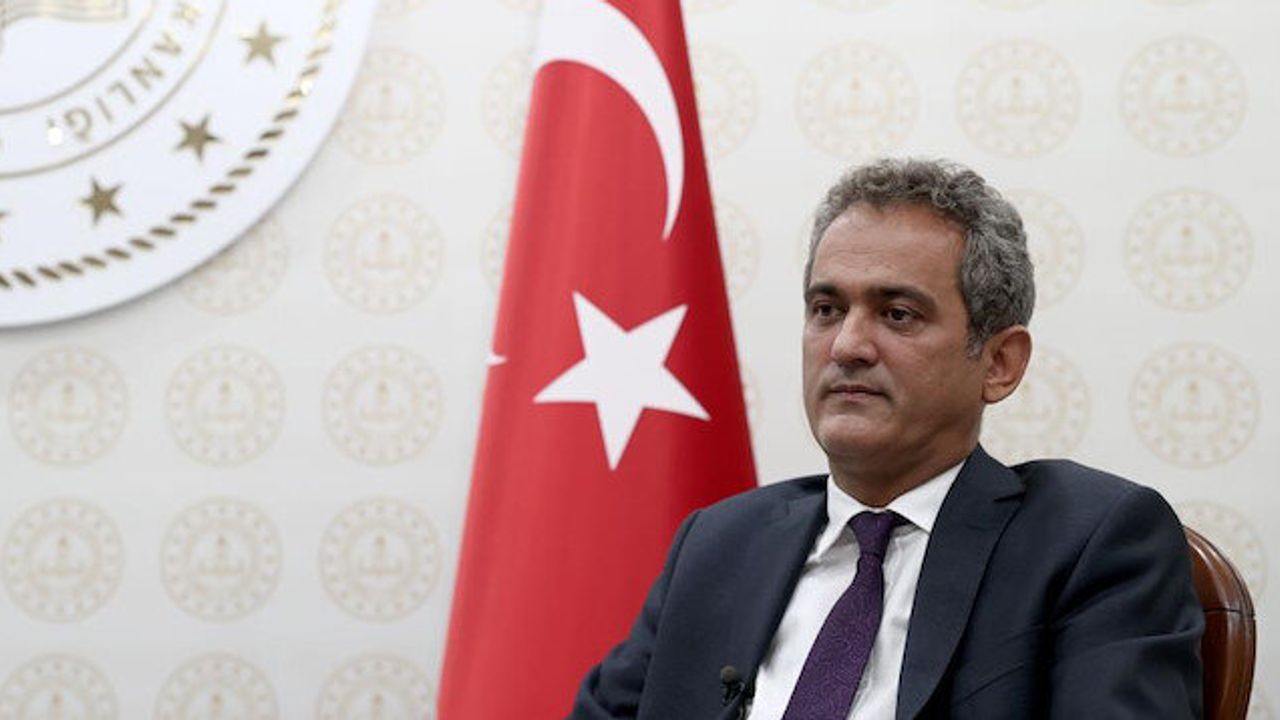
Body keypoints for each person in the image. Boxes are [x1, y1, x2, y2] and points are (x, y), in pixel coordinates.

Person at [570, 158, 1204, 719]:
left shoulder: (1090, 542)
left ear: (999, 363)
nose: (847, 346)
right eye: (827, 310)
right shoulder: (720, 543)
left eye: (898, 314)